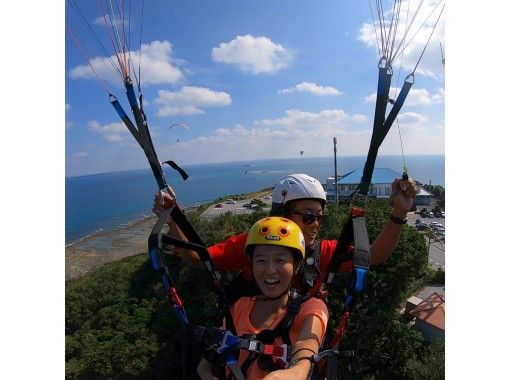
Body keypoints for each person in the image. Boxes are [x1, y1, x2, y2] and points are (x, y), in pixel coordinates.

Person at [153, 173, 418, 297]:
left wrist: (398, 213)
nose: (316, 224)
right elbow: (198, 258)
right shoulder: (254, 243)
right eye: (308, 216)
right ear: (282, 215)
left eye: (319, 216)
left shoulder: (321, 252)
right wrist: (174, 218)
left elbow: (375, 256)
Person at [196, 217, 328, 380]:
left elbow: (306, 346)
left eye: (280, 260)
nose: (270, 270)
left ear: (297, 265)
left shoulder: (310, 308)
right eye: (261, 260)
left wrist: (297, 371)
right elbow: (204, 367)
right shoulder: (239, 307)